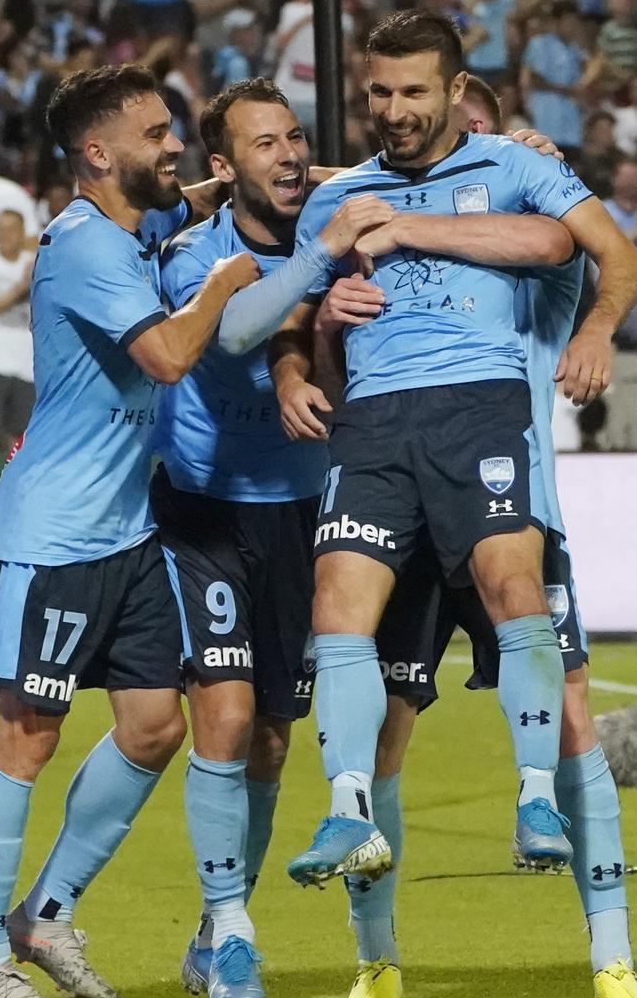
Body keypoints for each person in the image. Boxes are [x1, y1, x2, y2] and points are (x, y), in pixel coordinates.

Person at [290, 75, 637, 998]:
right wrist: (326, 318)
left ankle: (611, 958)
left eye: (488, 134)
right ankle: (378, 961)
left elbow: (578, 242)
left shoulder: (529, 227)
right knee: (386, 736)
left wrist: (597, 317)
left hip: (514, 501)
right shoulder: (398, 236)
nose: (475, 152)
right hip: (403, 490)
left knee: (570, 728)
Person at [0, 64, 259, 998]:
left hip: (127, 532)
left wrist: (237, 184)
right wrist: (227, 280)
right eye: (154, 133)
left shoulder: (128, 224)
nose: (173, 143)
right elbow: (171, 355)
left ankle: (42, 917)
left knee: (152, 729)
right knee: (27, 735)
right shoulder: (82, 246)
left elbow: (177, 197)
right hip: (51, 534)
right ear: (97, 154)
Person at [154, 77, 395, 998]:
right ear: (222, 167)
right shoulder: (193, 253)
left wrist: (520, 149)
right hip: (203, 508)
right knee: (220, 714)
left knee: (272, 742)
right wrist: (313, 290)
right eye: (263, 144)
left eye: (296, 138)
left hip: (303, 512)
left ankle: (217, 928)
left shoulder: (335, 220)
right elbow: (232, 338)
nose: (289, 155)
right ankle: (235, 932)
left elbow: (393, 181)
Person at [0, 210, 35, 454]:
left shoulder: (35, 262)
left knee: (22, 440)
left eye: (9, 229)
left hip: (27, 366)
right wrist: (20, 287)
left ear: (21, 233)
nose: (3, 235)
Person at [521, 0, 587, 164]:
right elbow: (534, 78)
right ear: (555, 22)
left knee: (571, 169)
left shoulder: (575, 49)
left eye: (575, 22)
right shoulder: (539, 43)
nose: (572, 26)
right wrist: (565, 89)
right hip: (546, 117)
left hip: (571, 123)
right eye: (568, 21)